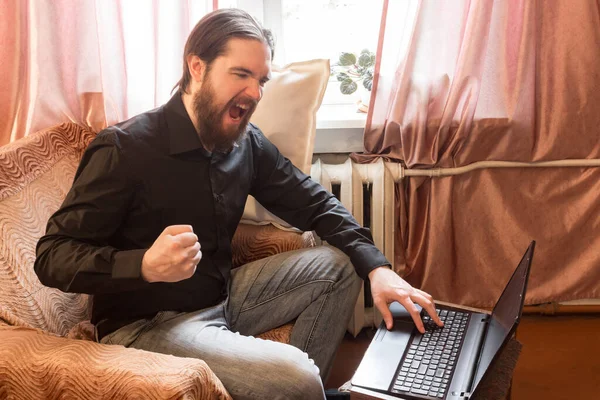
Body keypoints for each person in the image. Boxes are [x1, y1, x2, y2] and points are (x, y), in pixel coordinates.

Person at [34, 8, 442, 400]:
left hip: (221, 296)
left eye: (262, 79)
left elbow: (314, 203)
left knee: (339, 265)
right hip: (146, 325)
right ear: (197, 67)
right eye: (241, 74)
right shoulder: (124, 149)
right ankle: (303, 389)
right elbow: (52, 255)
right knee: (296, 377)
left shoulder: (245, 142)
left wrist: (379, 268)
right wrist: (142, 265)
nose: (255, 92)